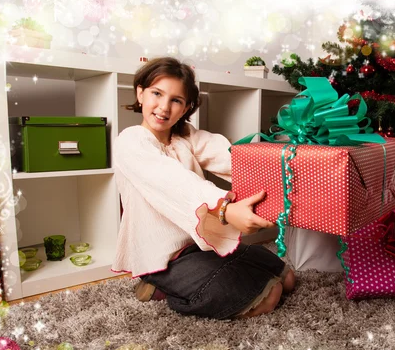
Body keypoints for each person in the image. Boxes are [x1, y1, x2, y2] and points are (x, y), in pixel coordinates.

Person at [112, 57, 295, 319]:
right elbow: (175, 183)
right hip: (165, 256)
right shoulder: (130, 142)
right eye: (156, 93)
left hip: (200, 243)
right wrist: (226, 209)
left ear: (186, 107)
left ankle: (202, 274)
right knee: (267, 296)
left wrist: (284, 170)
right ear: (140, 92)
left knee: (285, 277)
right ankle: (159, 286)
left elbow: (230, 157)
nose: (164, 107)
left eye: (176, 100)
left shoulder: (185, 135)